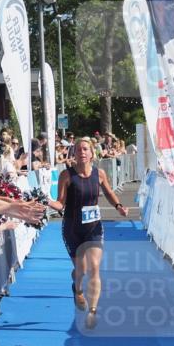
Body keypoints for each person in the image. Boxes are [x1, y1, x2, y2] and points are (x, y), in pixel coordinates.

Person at [46, 137, 128, 329]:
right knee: (81, 270)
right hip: (72, 229)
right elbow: (60, 203)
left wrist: (118, 206)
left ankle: (93, 311)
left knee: (95, 267)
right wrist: (47, 201)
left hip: (93, 228)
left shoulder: (99, 174)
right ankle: (77, 289)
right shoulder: (66, 176)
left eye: (85, 149)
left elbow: (108, 192)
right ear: (73, 154)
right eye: (78, 149)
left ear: (92, 153)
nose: (81, 152)